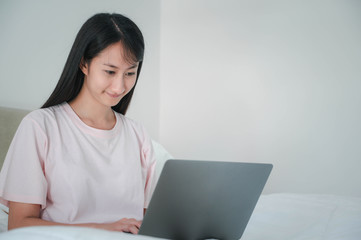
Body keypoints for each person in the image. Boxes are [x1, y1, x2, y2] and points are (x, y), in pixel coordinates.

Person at [0, 13, 156, 234]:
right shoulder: (40, 126)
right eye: (110, 71)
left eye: (130, 73)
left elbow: (152, 221)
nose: (120, 86)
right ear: (84, 63)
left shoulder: (137, 134)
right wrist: (102, 229)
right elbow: (19, 224)